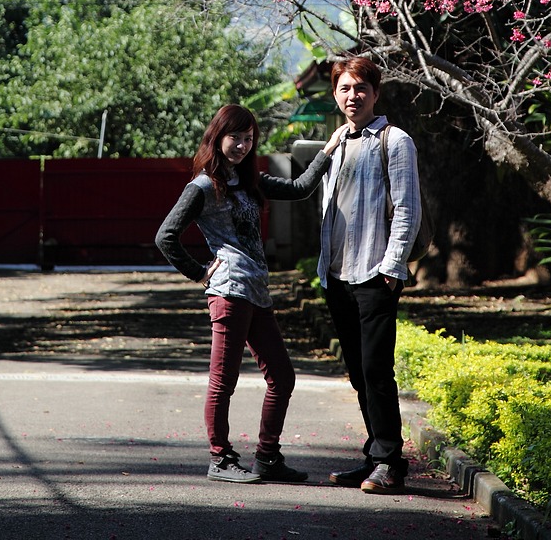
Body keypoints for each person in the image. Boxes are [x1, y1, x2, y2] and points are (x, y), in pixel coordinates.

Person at [156, 102, 342, 485]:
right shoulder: (203, 187)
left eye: (248, 138)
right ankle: (220, 458)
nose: (242, 145)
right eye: (234, 138)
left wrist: (327, 150)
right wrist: (200, 272)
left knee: (282, 377)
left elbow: (301, 188)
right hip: (229, 293)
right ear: (217, 138)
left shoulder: (250, 180)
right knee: (223, 381)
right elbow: (166, 236)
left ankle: (267, 457)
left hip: (257, 292)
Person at [318, 55, 421, 494]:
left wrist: (392, 267)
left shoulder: (395, 141)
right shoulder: (338, 142)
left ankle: (390, 463)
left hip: (375, 273)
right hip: (337, 275)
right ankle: (374, 455)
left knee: (376, 370)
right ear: (335, 94)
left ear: (376, 93)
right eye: (344, 88)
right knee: (359, 373)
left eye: (360, 88)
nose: (352, 95)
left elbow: (408, 208)